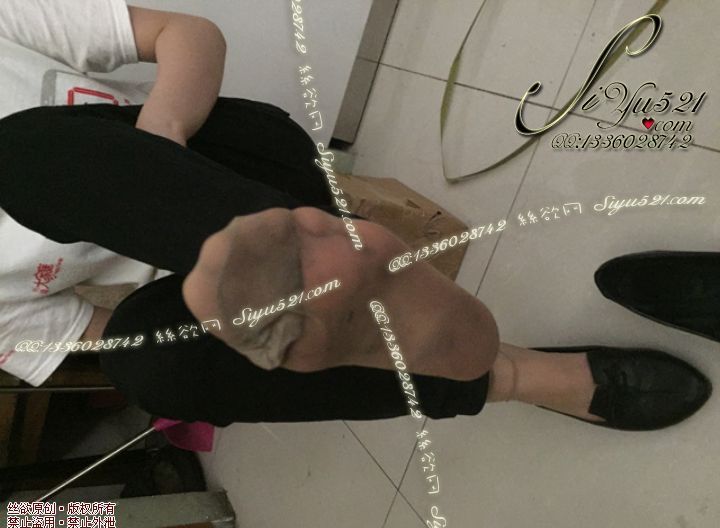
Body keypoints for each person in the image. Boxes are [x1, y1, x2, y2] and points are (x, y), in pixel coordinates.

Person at [0, 0, 710, 432]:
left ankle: (316, 265)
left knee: (22, 159)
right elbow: (93, 335)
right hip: (234, 303)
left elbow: (188, 35)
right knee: (150, 370)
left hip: (236, 173)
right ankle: (505, 372)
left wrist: (157, 152)